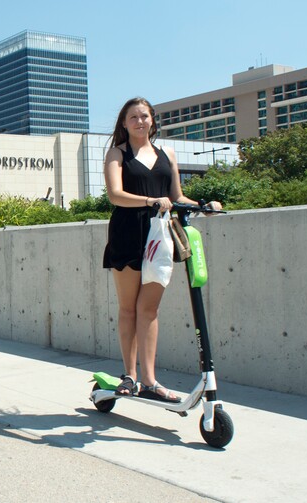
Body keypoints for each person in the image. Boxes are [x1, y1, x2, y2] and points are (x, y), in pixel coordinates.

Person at [103, 97, 222, 402]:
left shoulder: (167, 154)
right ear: (124, 123)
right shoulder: (118, 154)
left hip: (159, 235)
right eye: (133, 117)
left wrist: (205, 206)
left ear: (153, 120)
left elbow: (176, 195)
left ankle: (150, 380)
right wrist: (150, 201)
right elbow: (115, 195)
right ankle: (129, 375)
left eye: (144, 116)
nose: (139, 121)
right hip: (128, 232)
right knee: (129, 308)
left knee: (150, 309)